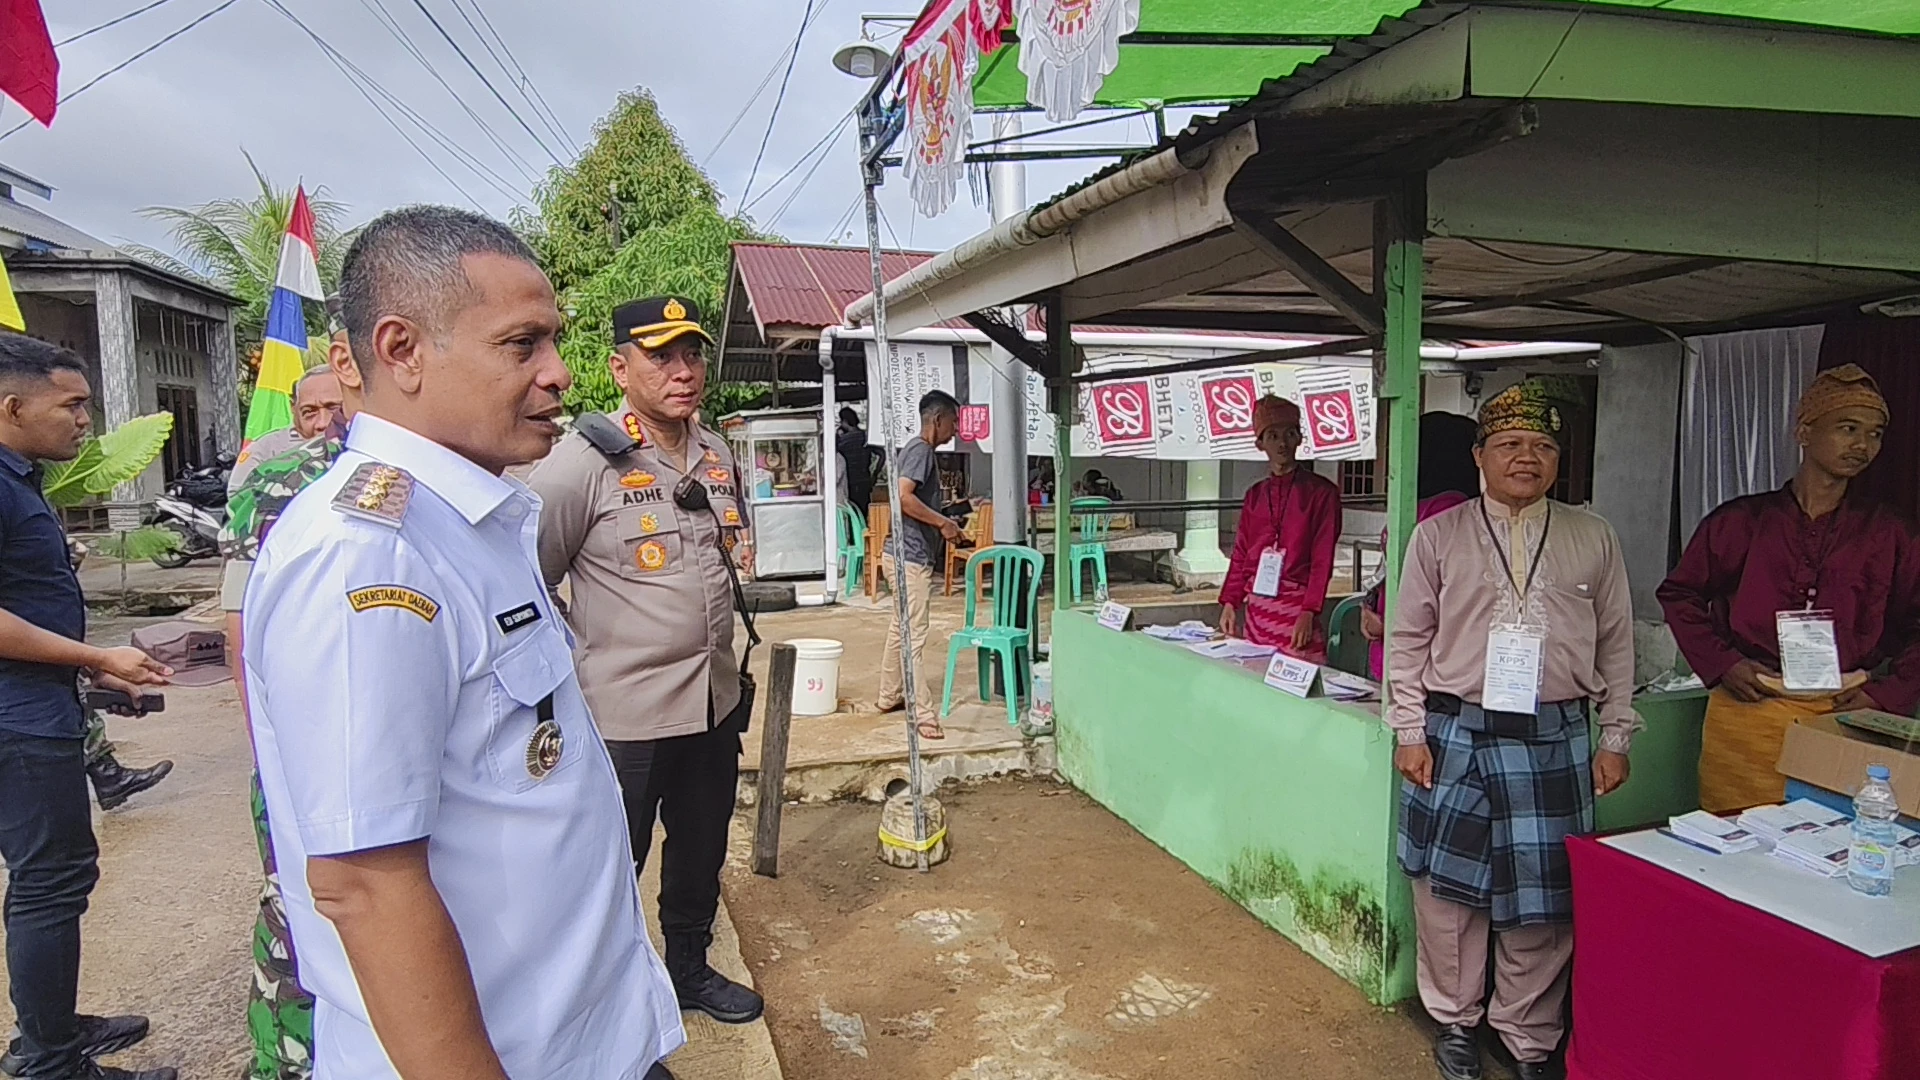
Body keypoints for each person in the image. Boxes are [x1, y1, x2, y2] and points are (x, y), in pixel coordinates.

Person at [242, 207, 683, 1080]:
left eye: (552, 342)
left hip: (577, 1041)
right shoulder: (367, 555)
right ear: (401, 351)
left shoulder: (475, 521)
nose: (559, 375)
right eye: (522, 345)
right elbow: (364, 883)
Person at [1388, 381, 1638, 1080]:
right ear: (1479, 456)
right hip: (1454, 731)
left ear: (1560, 459)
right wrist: (1410, 729)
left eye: (1543, 445)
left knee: (1545, 900)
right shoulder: (1438, 535)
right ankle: (1456, 1021)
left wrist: (1615, 737)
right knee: (1445, 892)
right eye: (1509, 444)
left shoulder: (1595, 535)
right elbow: (1408, 642)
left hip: (1556, 734)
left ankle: (1527, 1037)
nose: (1526, 457)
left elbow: (1617, 644)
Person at [528, 295, 765, 1027]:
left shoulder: (718, 454)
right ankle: (602, 1009)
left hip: (713, 704)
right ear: (619, 367)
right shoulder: (581, 463)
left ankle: (688, 971)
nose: (683, 371)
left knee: (699, 852)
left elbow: (734, 553)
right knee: (610, 869)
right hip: (624, 715)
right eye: (661, 356)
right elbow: (529, 578)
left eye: (691, 354)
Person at [0, 331, 175, 1080]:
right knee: (50, 879)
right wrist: (96, 656)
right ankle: (50, 1061)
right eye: (71, 405)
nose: (84, 421)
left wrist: (95, 678)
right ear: (11, 406)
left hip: (35, 706)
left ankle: (52, 1025)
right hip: (17, 724)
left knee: (56, 876)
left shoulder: (20, 478)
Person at [1658, 364, 1920, 812]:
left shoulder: (1891, 534)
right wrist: (1723, 664)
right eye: (1848, 428)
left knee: (1832, 847)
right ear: (1805, 431)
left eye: (1874, 434)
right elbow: (1679, 594)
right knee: (1738, 847)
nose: (1862, 445)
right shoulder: (1741, 521)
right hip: (1748, 711)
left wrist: (1884, 695)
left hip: (1844, 713)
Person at [218, 307, 358, 1080]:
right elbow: (241, 628)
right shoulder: (275, 482)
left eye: (335, 406)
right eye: (315, 410)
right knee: (300, 918)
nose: (327, 421)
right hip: (300, 750)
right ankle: (283, 1063)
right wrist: (270, 754)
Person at [1218, 395, 1343, 661]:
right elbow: (1241, 552)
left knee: (1298, 680)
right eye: (1272, 436)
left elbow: (1322, 559)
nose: (1282, 443)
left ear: (1299, 438)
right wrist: (1230, 602)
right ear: (1260, 443)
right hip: (1257, 612)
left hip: (1296, 611)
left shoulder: (1322, 494)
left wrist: (1310, 611)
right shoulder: (1254, 495)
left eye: (1289, 434)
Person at [871, 390, 964, 740]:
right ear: (937, 420)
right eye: (953, 422)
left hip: (901, 553)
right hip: (909, 558)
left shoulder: (915, 451)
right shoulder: (921, 451)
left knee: (900, 628)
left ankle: (889, 694)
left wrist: (945, 518)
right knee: (914, 635)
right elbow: (903, 497)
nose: (955, 430)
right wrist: (941, 523)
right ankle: (922, 711)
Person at [1361, 412, 1481, 678]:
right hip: (1393, 650)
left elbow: (1448, 595)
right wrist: (1370, 607)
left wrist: (1391, 626)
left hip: (1421, 664)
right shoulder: (1413, 503)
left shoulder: (1449, 510)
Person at [837, 406, 876, 509]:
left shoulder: (843, 441)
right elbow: (882, 454)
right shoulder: (866, 437)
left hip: (850, 480)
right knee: (864, 510)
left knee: (852, 512)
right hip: (864, 479)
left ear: (845, 421)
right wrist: (875, 473)